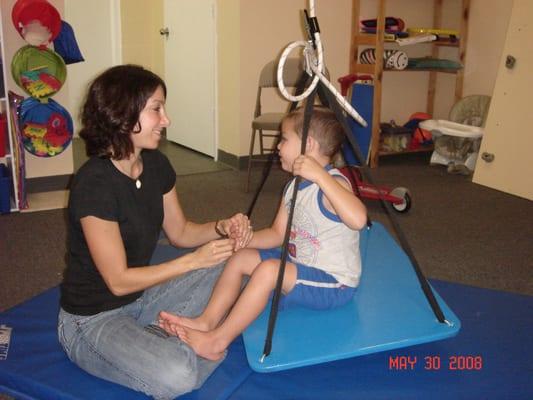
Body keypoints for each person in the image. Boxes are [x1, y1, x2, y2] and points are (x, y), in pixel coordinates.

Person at [57, 64, 253, 399]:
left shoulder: (156, 165)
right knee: (178, 375)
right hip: (92, 321)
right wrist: (192, 262)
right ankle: (180, 341)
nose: (166, 120)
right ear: (123, 113)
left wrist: (221, 228)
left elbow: (181, 232)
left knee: (241, 263)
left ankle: (171, 335)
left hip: (143, 299)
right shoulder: (94, 184)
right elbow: (117, 280)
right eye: (156, 109)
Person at [158, 106, 367, 361]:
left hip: (334, 282)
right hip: (301, 265)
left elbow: (358, 219)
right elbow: (278, 234)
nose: (277, 147)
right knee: (242, 257)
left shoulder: (334, 184)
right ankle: (206, 321)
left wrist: (321, 177)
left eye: (284, 139)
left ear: (308, 145)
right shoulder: (293, 187)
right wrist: (243, 239)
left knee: (269, 271)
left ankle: (217, 341)